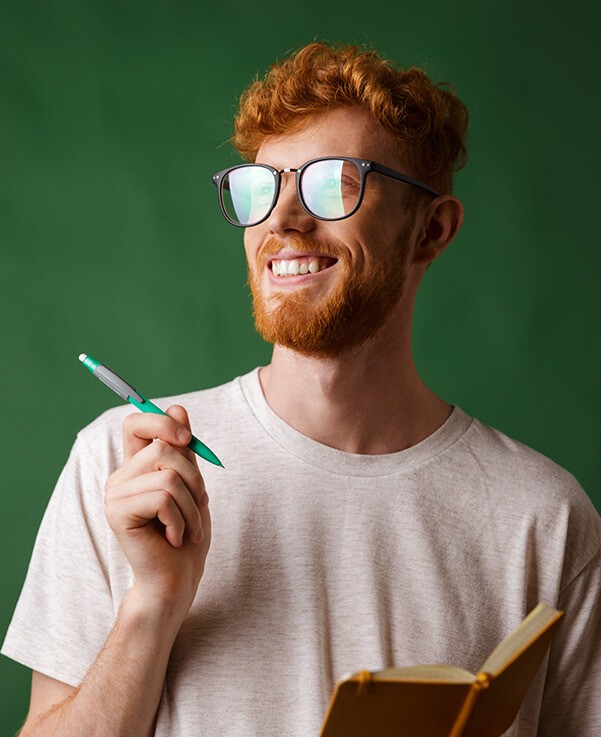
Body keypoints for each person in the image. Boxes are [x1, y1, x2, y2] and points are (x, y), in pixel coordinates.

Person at [3, 43, 600, 737]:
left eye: (332, 183)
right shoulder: (124, 467)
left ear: (430, 231)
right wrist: (152, 603)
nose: (282, 220)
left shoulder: (546, 519)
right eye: (262, 189)